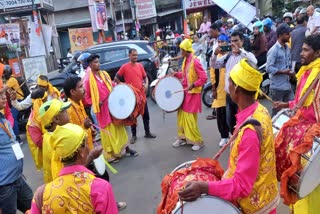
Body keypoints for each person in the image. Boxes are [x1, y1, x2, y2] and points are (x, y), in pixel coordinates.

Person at [179, 59, 279, 214]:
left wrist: (203, 187)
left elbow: (242, 186)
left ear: (237, 88)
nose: (227, 87)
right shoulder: (260, 110)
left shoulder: (249, 133)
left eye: (230, 83)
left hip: (255, 207)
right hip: (264, 196)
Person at [63, 76, 127, 211]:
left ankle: (107, 204)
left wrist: (90, 130)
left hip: (89, 148)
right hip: (82, 155)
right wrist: (84, 127)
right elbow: (71, 136)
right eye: (80, 87)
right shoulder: (68, 110)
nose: (84, 89)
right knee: (98, 183)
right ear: (72, 92)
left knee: (103, 178)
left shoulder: (79, 103)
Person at [273, 34, 320, 214]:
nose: (301, 53)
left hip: (313, 140)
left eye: (306, 50)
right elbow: (301, 102)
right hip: (304, 136)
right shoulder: (306, 72)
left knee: (312, 185)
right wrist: (286, 105)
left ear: (317, 53)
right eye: (302, 49)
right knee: (300, 182)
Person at [30, 123, 118, 213]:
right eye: (86, 144)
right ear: (81, 152)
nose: (88, 148)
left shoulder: (41, 195)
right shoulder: (100, 188)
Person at [84, 54, 138, 162]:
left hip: (113, 107)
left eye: (98, 62)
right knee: (108, 133)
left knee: (120, 128)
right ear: (90, 65)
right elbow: (86, 98)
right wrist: (95, 103)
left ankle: (126, 149)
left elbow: (111, 85)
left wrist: (118, 87)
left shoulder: (104, 74)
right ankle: (110, 155)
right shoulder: (87, 80)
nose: (98, 64)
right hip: (103, 111)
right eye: (95, 62)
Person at [211, 31, 257, 133]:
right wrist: (215, 53)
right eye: (231, 41)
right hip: (229, 95)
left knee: (245, 122)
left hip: (243, 96)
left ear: (242, 41)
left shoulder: (246, 55)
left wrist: (240, 51)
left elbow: (254, 62)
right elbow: (214, 65)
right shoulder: (228, 57)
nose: (233, 44)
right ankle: (234, 143)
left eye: (236, 41)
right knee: (231, 123)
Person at [0, 87, 33, 214]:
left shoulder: (2, 117)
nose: (4, 97)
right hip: (4, 186)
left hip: (17, 178)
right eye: (0, 95)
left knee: (35, 207)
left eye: (3, 94)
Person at [171, 39, 207, 151]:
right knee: (181, 117)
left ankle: (198, 141)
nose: (180, 52)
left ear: (186, 50)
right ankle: (182, 138)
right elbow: (185, 74)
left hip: (192, 93)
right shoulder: (185, 60)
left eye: (182, 50)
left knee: (189, 119)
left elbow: (204, 78)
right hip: (184, 92)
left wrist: (193, 85)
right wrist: (176, 74)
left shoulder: (195, 61)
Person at [115, 48, 156, 144]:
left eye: (136, 55)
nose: (135, 57)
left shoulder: (140, 66)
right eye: (133, 55)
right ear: (129, 56)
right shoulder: (124, 67)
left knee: (146, 115)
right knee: (133, 117)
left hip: (142, 96)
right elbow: (116, 78)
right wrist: (125, 87)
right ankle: (134, 136)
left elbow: (145, 77)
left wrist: (146, 84)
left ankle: (147, 132)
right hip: (131, 97)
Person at [266, 23, 294, 116]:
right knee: (277, 113)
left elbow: (287, 64)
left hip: (287, 85)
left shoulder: (287, 48)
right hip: (277, 87)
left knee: (291, 109)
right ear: (280, 35)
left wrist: (290, 72)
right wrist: (283, 71)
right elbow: (268, 68)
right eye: (287, 34)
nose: (289, 36)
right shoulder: (273, 50)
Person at [209, 34, 230, 147]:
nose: (221, 44)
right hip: (219, 89)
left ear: (227, 43)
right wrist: (213, 88)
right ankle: (224, 136)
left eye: (223, 41)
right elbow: (212, 72)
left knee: (231, 114)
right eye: (219, 42)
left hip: (230, 90)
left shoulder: (231, 55)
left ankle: (233, 134)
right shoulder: (215, 57)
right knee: (220, 114)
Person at [3, 65, 26, 144]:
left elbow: (3, 89)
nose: (3, 75)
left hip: (18, 100)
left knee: (12, 117)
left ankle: (18, 139)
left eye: (4, 73)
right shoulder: (9, 79)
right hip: (14, 100)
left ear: (7, 73)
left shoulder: (11, 80)